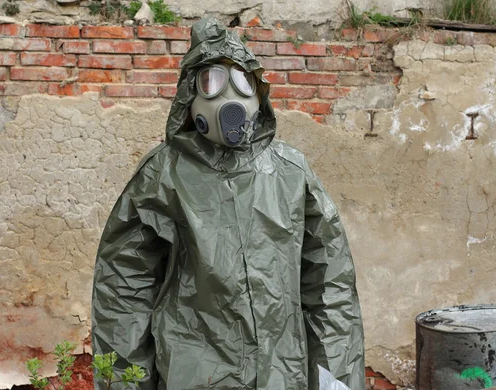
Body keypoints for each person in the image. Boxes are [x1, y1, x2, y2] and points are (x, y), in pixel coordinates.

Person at [91, 18, 365, 390]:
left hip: (280, 373)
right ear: (190, 97)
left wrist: (336, 381)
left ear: (258, 93)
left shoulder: (289, 172)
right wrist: (124, 382)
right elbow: (123, 290)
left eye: (242, 83)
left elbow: (329, 286)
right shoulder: (164, 175)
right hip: (194, 372)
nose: (229, 99)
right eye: (212, 83)